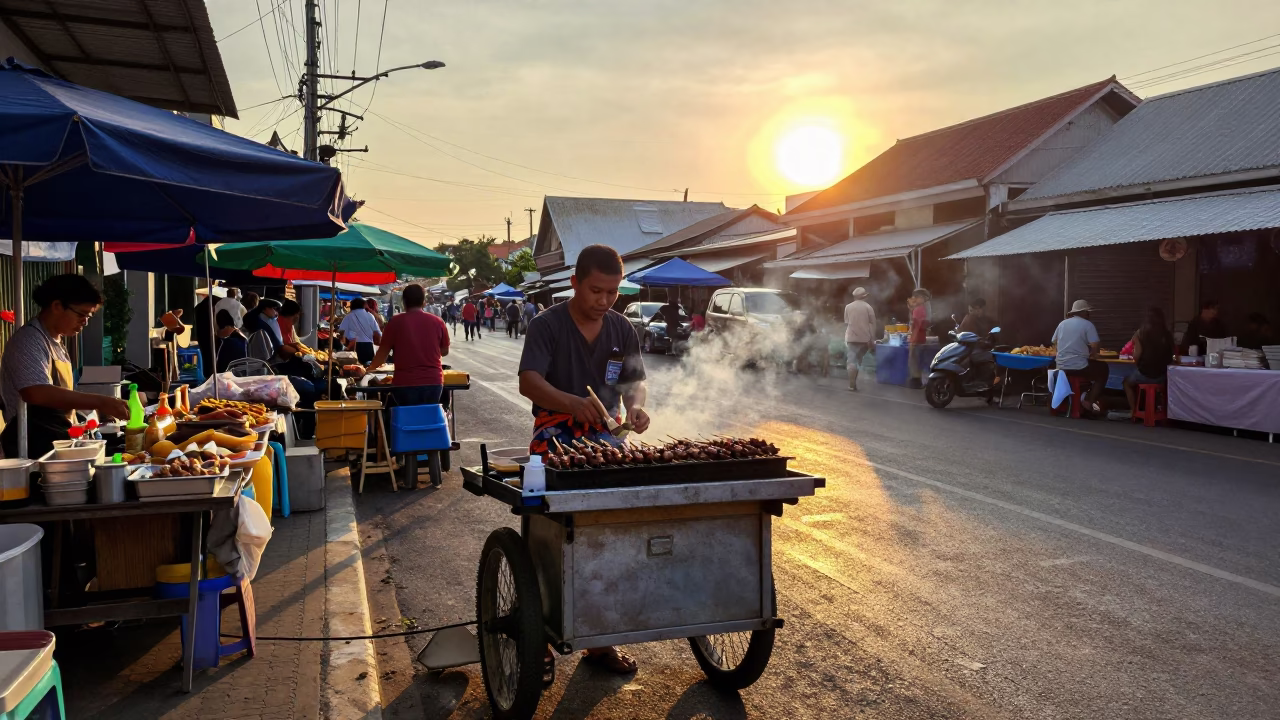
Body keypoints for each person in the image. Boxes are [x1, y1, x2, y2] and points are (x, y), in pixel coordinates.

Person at [519, 244, 648, 676]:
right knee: (552, 529)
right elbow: (529, 382)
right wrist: (572, 403)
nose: (605, 301)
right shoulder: (546, 324)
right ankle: (537, 634)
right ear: (575, 283)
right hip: (555, 432)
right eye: (596, 290)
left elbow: (635, 382)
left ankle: (601, 641)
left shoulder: (622, 328)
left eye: (612, 292)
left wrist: (636, 408)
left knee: (614, 531)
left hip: (606, 435)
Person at [0, 275, 130, 460]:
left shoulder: (57, 343)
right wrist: (101, 402)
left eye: (88, 316)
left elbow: (64, 398)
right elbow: (36, 393)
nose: (85, 322)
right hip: (32, 450)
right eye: (81, 314)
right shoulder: (29, 340)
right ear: (57, 306)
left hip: (59, 443)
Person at [364, 283, 449, 407]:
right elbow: (445, 351)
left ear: (404, 301)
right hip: (433, 382)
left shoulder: (394, 322)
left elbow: (382, 354)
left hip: (404, 383)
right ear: (424, 301)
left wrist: (368, 370)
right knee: (426, 420)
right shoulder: (438, 321)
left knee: (408, 420)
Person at [1051, 299, 1109, 416]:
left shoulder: (1062, 324)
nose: (1089, 314)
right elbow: (1095, 346)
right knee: (1103, 369)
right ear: (1082, 312)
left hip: (1061, 366)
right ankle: (1089, 400)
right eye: (1087, 312)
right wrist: (1093, 354)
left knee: (1094, 368)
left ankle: (1082, 397)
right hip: (1079, 367)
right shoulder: (1088, 325)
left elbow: (1054, 341)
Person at [1121, 307, 1174, 419]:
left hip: (1145, 373)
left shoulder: (1140, 333)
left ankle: (1134, 411)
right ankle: (1160, 410)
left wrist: (1133, 359)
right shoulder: (1167, 334)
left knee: (1126, 382)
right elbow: (1172, 354)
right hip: (1162, 376)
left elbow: (1137, 355)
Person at [844, 287, 876, 391]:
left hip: (851, 338)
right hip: (864, 339)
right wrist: (872, 339)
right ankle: (854, 383)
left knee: (851, 361)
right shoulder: (868, 307)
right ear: (865, 296)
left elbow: (847, 323)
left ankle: (851, 384)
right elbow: (872, 324)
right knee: (858, 361)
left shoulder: (848, 307)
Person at [339, 297, 382, 364]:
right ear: (363, 305)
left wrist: (344, 345)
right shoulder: (370, 316)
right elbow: (377, 332)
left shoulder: (348, 316)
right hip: (369, 347)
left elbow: (341, 331)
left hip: (355, 347)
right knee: (368, 369)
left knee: (355, 369)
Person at [907, 287, 931, 389]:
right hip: (920, 339)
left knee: (914, 361)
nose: (914, 299)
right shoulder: (922, 309)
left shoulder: (918, 309)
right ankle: (917, 381)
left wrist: (912, 339)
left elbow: (916, 325)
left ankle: (916, 382)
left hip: (916, 339)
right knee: (918, 361)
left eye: (917, 297)